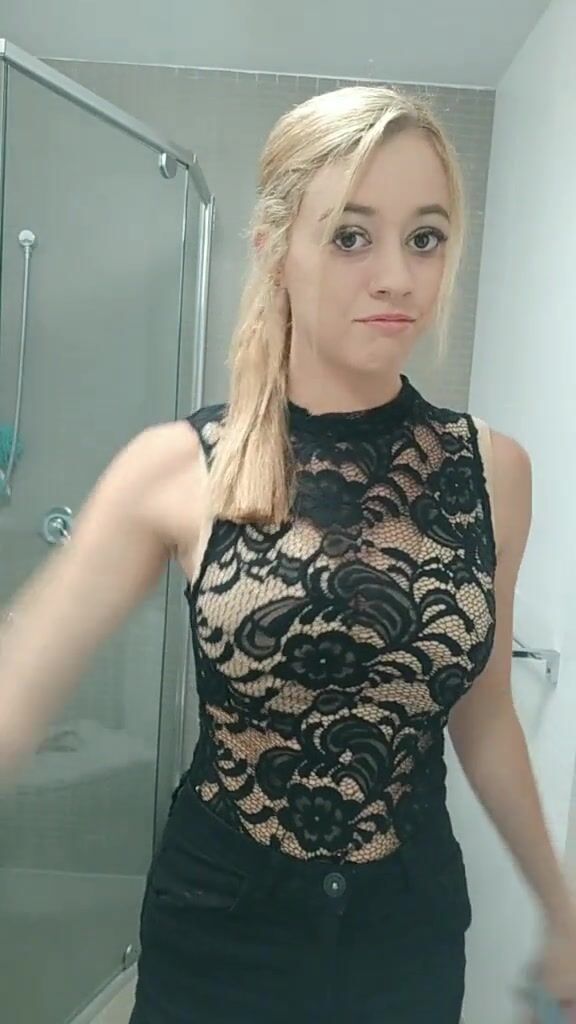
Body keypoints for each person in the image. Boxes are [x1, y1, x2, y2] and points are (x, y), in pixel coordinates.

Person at [0, 85, 575, 1024]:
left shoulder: (493, 472)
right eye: (351, 236)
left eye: (425, 238)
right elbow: (20, 681)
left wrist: (562, 908)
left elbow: (485, 714)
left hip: (410, 930)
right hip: (221, 925)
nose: (397, 276)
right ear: (276, 249)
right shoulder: (178, 467)